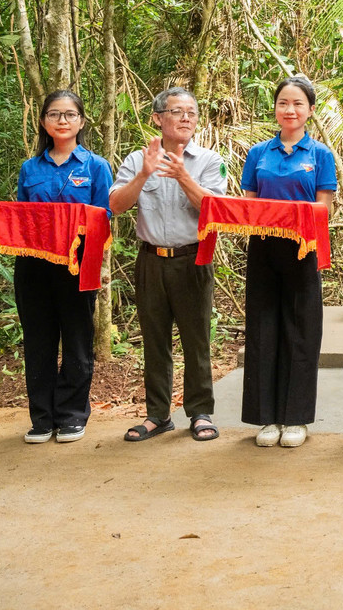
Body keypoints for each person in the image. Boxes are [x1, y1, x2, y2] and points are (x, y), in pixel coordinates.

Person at [110, 87, 228, 443]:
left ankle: (200, 412)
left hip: (193, 258)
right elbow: (115, 205)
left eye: (191, 112)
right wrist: (144, 174)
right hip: (150, 261)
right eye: (177, 111)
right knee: (155, 340)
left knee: (196, 339)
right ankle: (158, 415)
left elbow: (216, 209)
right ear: (158, 118)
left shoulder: (209, 160)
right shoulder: (136, 159)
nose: (186, 118)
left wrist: (182, 176)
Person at [240, 76, 337, 448]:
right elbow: (250, 203)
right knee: (264, 330)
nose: (290, 110)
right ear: (276, 109)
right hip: (263, 248)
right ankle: (267, 418)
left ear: (310, 110)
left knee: (301, 330)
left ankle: (296, 418)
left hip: (302, 249)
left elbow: (322, 209)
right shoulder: (258, 154)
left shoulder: (320, 155)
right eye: (283, 102)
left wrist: (288, 215)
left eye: (298, 104)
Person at [14, 89, 114, 444]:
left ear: (81, 122)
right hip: (33, 265)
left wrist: (101, 264)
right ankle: (41, 418)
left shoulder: (96, 166)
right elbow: (21, 218)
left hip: (78, 263)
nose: (62, 121)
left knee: (76, 339)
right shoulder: (31, 168)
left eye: (70, 114)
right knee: (38, 341)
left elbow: (104, 218)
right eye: (55, 114)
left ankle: (72, 415)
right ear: (43, 122)